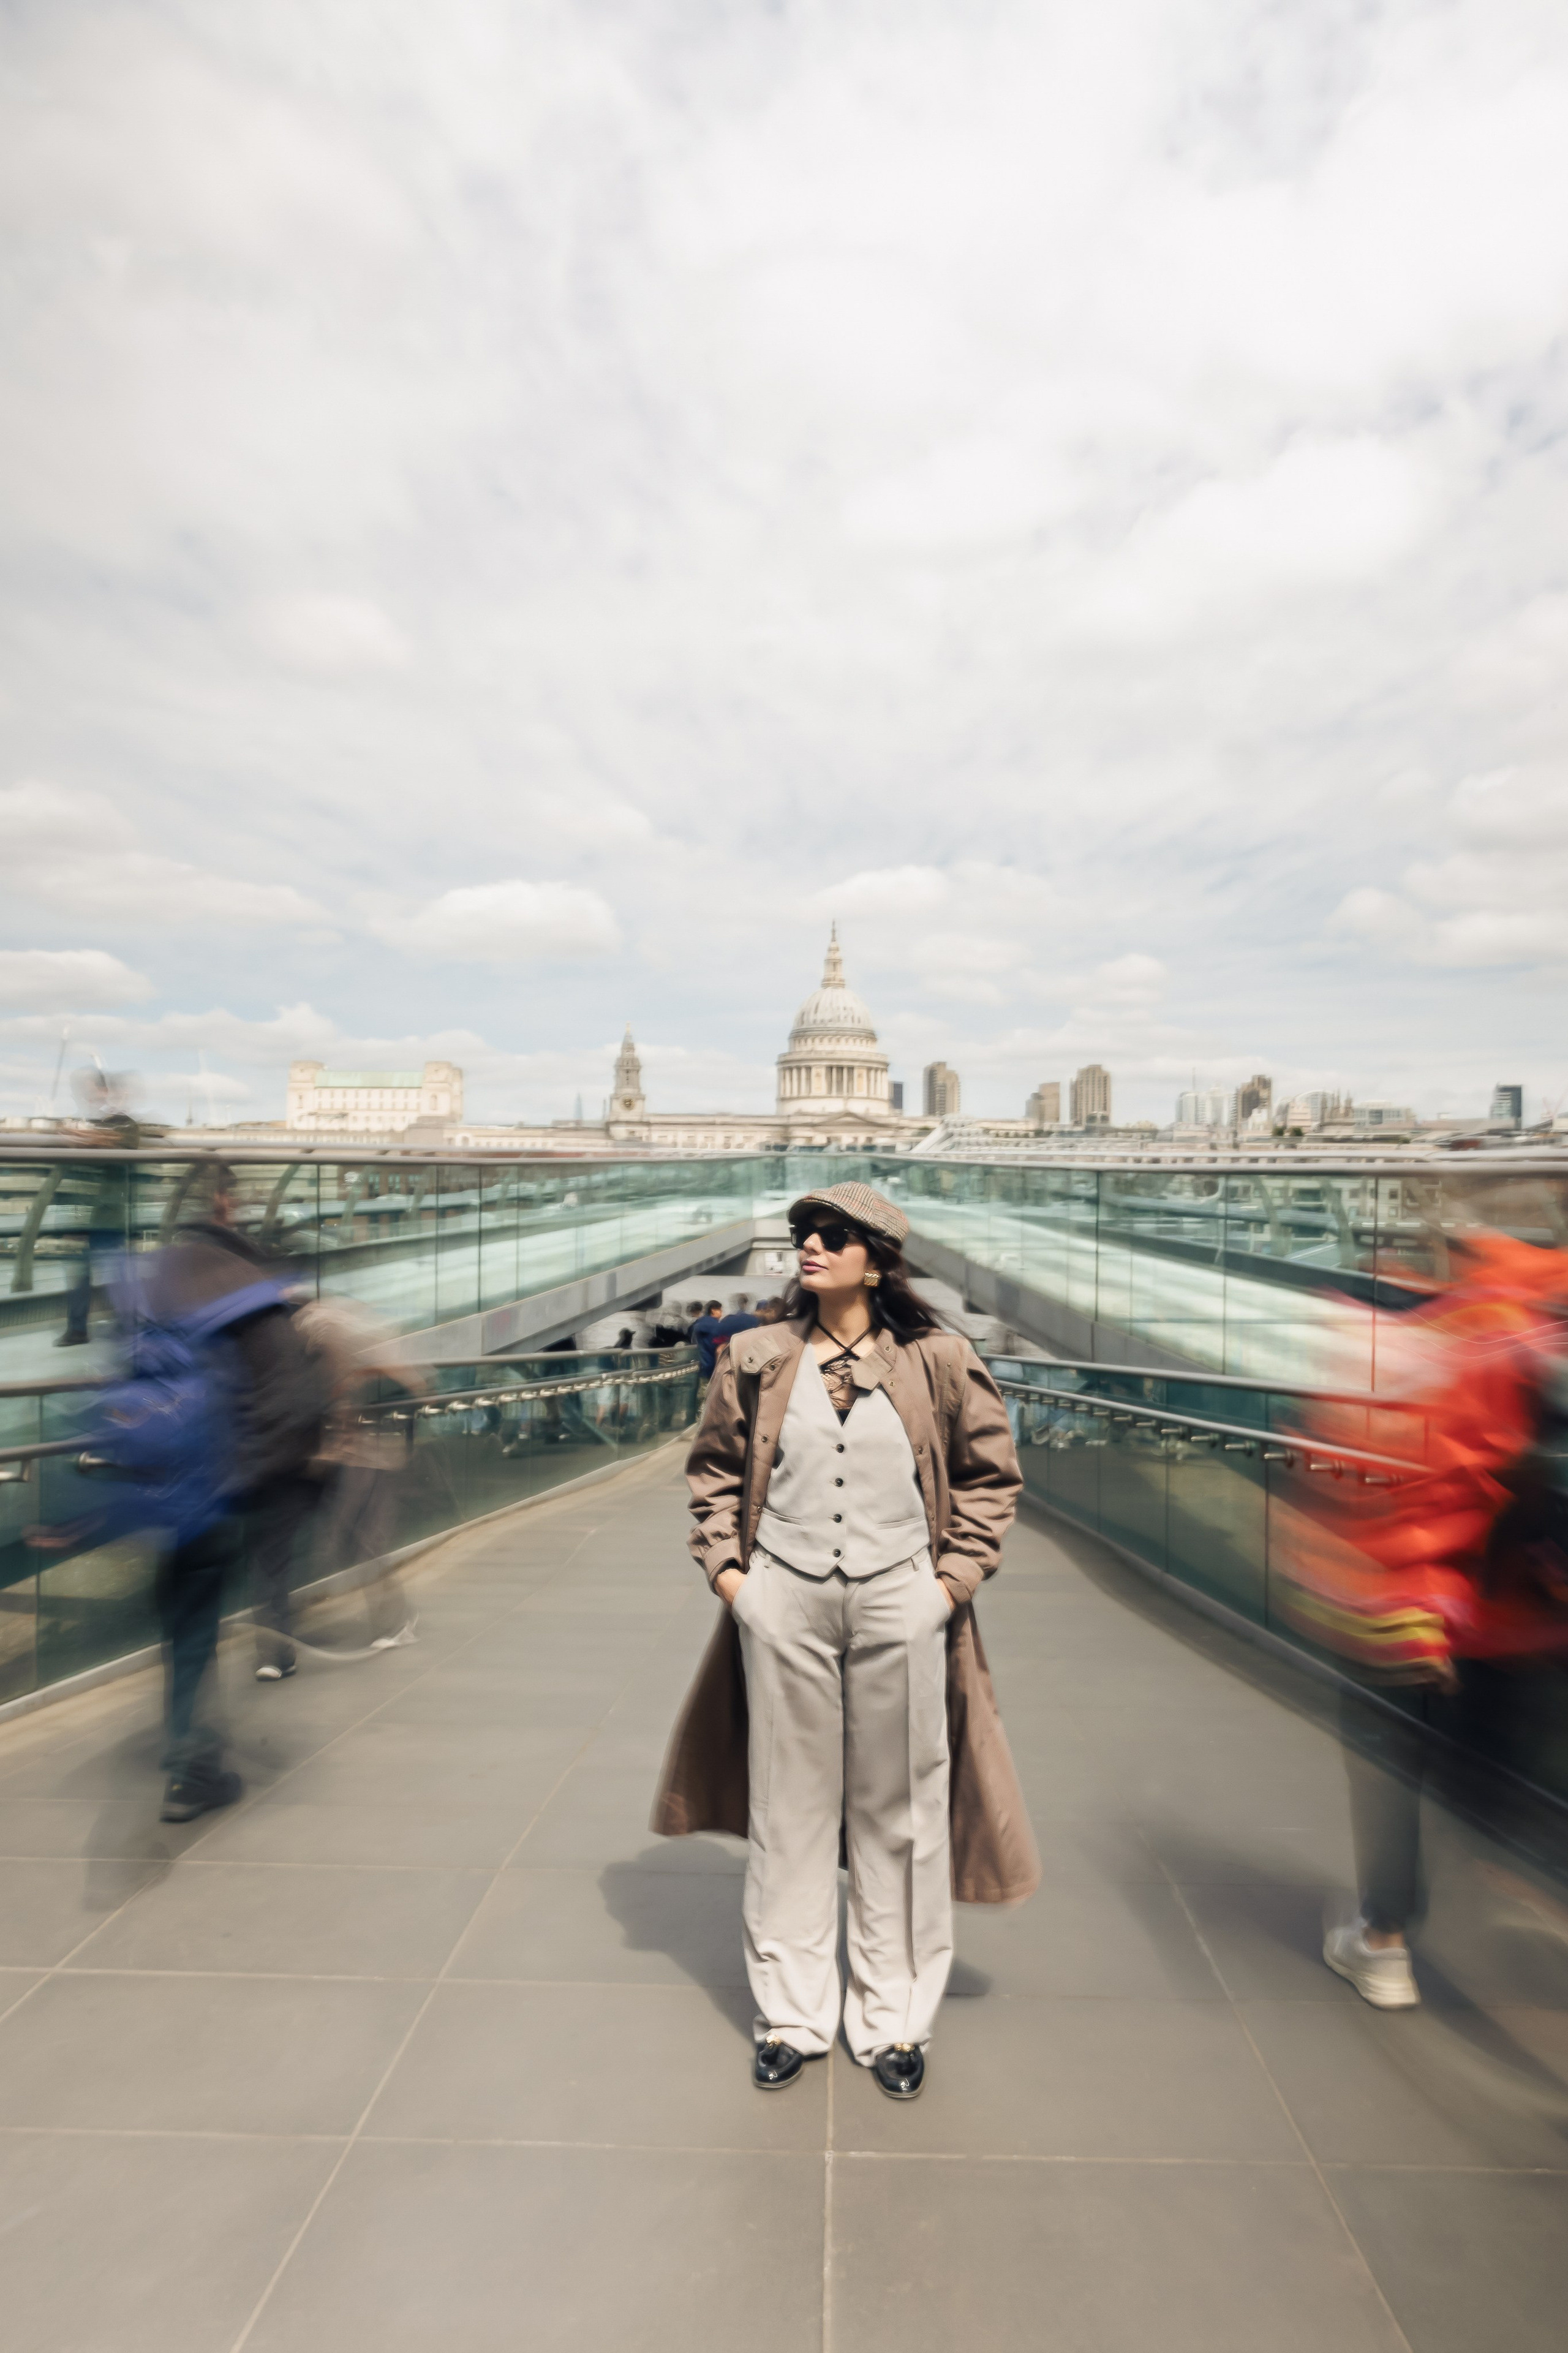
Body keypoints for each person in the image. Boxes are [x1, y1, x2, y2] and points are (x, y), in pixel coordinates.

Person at [654, 1182, 1038, 2101]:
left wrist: (945, 1588)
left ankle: (894, 2017)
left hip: (901, 1595)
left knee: (899, 1812)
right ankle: (791, 2015)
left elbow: (990, 1478)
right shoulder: (757, 1355)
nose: (811, 1246)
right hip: (783, 1597)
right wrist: (737, 1582)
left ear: (877, 1258)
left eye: (832, 1234)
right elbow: (713, 1474)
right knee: (787, 1808)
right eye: (803, 1232)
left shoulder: (939, 1359)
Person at [56, 1070, 141, 1346]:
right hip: (84, 1213)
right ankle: (80, 1329)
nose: (85, 1096)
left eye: (89, 1089)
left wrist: (79, 1137)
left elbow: (115, 1143)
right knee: (83, 1272)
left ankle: (123, 1326)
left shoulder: (124, 1124)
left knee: (115, 1273)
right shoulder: (88, 1122)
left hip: (110, 1214)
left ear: (104, 1091)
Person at [712, 1293, 761, 1358]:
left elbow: (717, 1339)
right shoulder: (754, 1320)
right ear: (747, 1304)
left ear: (737, 1303)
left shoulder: (727, 1320)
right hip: (750, 1354)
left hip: (731, 1354)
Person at [690, 1299, 727, 1381]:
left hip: (699, 1368)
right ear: (713, 1310)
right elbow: (720, 1349)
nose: (721, 1314)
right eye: (720, 1311)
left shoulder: (697, 1324)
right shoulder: (717, 1326)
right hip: (712, 1368)